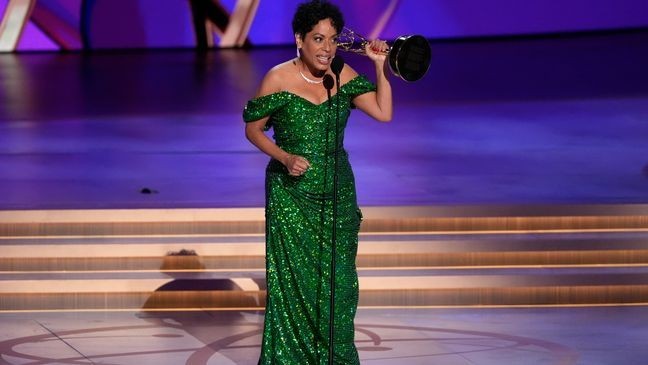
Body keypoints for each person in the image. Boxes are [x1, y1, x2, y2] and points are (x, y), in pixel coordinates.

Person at [243, 1, 392, 363]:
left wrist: (379, 67)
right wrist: (285, 157)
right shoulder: (277, 77)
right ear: (300, 40)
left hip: (337, 191)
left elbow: (383, 113)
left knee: (339, 285)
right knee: (296, 285)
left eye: (333, 40)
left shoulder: (342, 74)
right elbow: (253, 130)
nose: (326, 48)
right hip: (291, 194)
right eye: (318, 39)